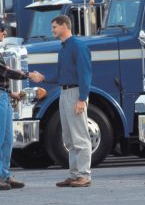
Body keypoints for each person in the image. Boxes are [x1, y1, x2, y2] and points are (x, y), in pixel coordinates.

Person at [34, 15, 92, 187]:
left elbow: (85, 74)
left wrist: (82, 98)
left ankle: (84, 175)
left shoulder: (78, 46)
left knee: (80, 136)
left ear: (65, 26)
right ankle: (74, 175)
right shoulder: (64, 48)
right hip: (64, 93)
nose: (52, 30)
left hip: (75, 94)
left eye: (54, 27)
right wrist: (43, 78)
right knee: (69, 138)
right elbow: (60, 76)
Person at [0, 24, 42, 190]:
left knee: (7, 139)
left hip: (4, 96)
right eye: (0, 29)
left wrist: (12, 94)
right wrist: (28, 74)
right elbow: (4, 72)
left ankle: (4, 175)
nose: (3, 32)